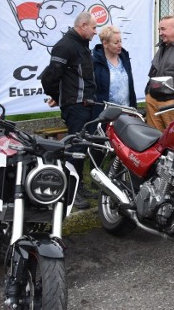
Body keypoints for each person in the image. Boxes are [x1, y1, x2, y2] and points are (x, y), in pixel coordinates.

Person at [40, 11, 98, 210]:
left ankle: (78, 185)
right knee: (75, 149)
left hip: (88, 105)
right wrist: (55, 95)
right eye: (93, 27)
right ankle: (68, 191)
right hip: (75, 106)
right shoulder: (65, 45)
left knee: (82, 148)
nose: (95, 32)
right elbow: (50, 76)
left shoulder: (82, 44)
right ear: (83, 25)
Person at [92, 25, 137, 111]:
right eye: (116, 43)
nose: (120, 45)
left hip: (127, 111)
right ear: (105, 44)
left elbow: (130, 87)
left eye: (120, 41)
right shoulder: (95, 62)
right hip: (107, 114)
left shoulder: (125, 58)